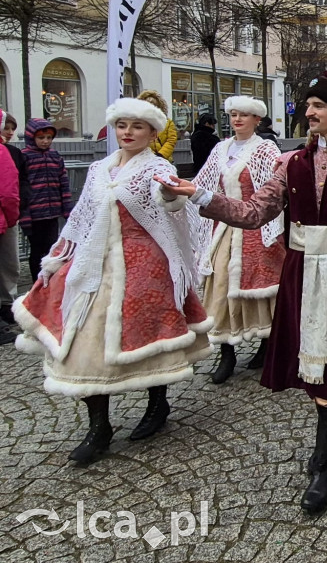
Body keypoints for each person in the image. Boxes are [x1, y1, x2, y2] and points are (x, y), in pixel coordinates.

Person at [157, 71, 327, 513]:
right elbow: (255, 212)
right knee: (308, 358)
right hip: (299, 271)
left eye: (317, 106)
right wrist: (200, 195)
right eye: (307, 105)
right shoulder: (291, 163)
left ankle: (326, 456)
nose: (307, 113)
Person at [14, 98, 213, 464]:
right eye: (122, 125)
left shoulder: (157, 167)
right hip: (95, 262)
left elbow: (170, 204)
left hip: (145, 263)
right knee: (84, 343)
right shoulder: (98, 168)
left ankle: (157, 404)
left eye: (137, 127)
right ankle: (99, 427)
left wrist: (170, 194)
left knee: (151, 336)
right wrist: (60, 256)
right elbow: (82, 216)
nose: (128, 132)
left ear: (153, 133)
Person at [191, 96, 286, 385]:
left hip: (256, 227)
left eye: (244, 115)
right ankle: (227, 352)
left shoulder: (265, 149)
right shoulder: (221, 148)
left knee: (261, 289)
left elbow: (274, 188)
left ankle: (266, 345)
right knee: (219, 287)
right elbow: (202, 184)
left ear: (257, 120)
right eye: (233, 114)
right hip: (224, 226)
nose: (237, 120)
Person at [20, 118, 72, 283]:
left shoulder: (55, 156)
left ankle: (49, 281)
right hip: (34, 214)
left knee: (51, 249)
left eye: (49, 138)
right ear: (31, 138)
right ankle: (35, 282)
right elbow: (22, 189)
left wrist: (67, 209)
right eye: (41, 138)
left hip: (52, 213)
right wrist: (25, 215)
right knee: (36, 250)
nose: (45, 141)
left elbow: (63, 184)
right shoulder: (24, 157)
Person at [1, 110, 30, 336]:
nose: (9, 133)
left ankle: (6, 304)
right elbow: (9, 193)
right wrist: (12, 217)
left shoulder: (12, 152)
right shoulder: (3, 153)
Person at [137, 90, 177, 161]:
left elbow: (171, 140)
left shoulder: (168, 122)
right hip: (145, 159)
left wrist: (161, 154)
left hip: (165, 160)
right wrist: (151, 155)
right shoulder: (140, 123)